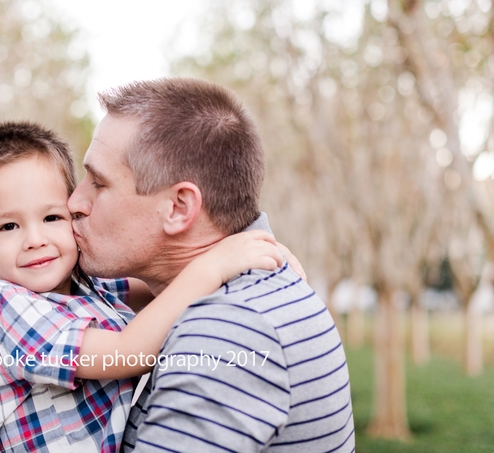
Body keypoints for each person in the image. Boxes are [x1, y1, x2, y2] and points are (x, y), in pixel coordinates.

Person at [0, 121, 284, 453]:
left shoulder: (83, 283)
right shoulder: (7, 308)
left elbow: (164, 284)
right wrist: (214, 266)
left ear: (74, 213)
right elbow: (124, 354)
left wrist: (251, 249)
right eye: (9, 226)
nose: (35, 240)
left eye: (52, 218)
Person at [67, 78, 355, 452]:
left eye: (98, 183)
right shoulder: (249, 293)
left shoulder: (227, 330)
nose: (74, 201)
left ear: (179, 208)